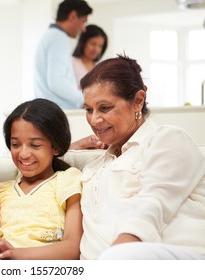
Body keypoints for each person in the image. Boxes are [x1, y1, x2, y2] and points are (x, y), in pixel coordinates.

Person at [79, 54, 205, 260]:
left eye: (105, 108)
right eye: (88, 110)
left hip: (176, 259)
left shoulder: (168, 138)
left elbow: (153, 204)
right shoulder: (93, 167)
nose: (94, 119)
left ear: (138, 101)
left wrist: (113, 262)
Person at [0, 98, 83, 260]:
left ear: (55, 147)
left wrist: (17, 255)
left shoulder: (68, 179)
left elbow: (73, 247)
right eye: (16, 144)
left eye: (35, 145)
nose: (23, 154)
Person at [34, 0, 92, 110]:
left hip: (48, 108)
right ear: (73, 16)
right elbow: (56, 82)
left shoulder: (50, 36)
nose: (83, 28)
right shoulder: (59, 38)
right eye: (83, 22)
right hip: (58, 110)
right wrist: (87, 99)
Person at [72, 24, 108, 90]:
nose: (96, 49)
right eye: (93, 44)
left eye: (100, 46)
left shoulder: (100, 68)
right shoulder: (71, 62)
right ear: (83, 42)